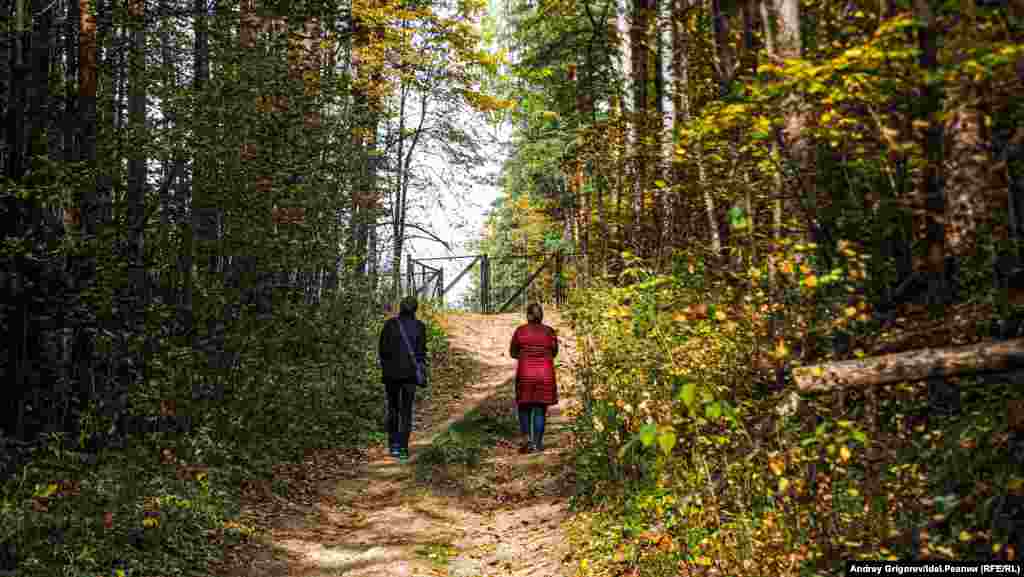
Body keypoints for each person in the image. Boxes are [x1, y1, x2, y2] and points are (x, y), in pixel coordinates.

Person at [379, 296, 428, 462]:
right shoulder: (420, 327)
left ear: (401, 307)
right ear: (415, 309)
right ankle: (403, 449)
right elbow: (421, 353)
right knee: (406, 411)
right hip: (410, 375)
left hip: (391, 375)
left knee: (393, 409)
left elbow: (382, 350)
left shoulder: (390, 325)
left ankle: (392, 446)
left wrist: (387, 368)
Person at [510, 303, 558, 453]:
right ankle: (537, 444)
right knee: (540, 409)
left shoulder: (520, 331)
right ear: (541, 315)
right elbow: (554, 352)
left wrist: (524, 356)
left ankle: (527, 441)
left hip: (525, 375)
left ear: (528, 315)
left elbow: (513, 352)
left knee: (524, 408)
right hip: (545, 375)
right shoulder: (549, 332)